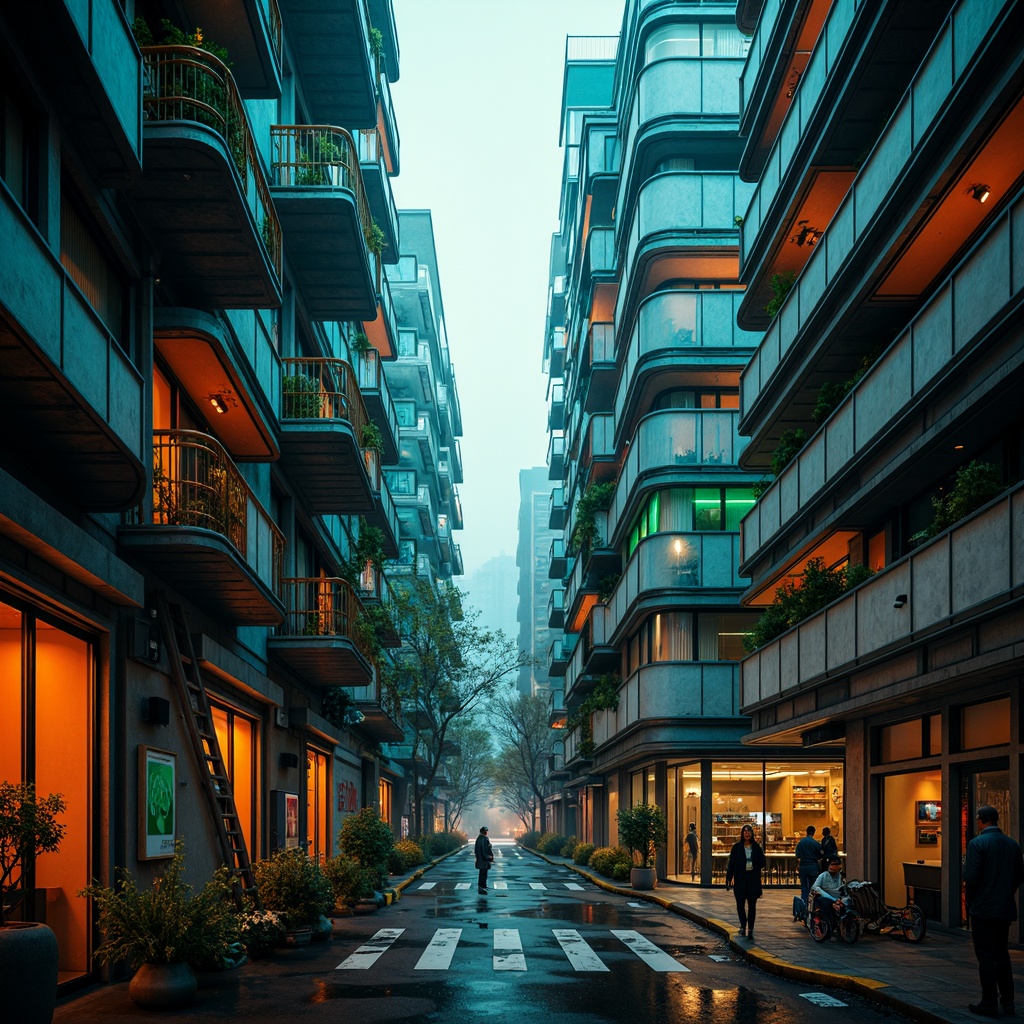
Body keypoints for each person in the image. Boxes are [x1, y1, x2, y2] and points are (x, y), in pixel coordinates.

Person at [964, 805, 1024, 1017]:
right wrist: (1007, 891)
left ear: (981, 820)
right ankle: (1008, 1002)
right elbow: (1019, 875)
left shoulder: (977, 843)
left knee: (986, 956)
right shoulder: (1012, 844)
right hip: (1004, 908)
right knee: (1002, 955)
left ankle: (988, 1001)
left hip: (983, 909)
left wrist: (972, 902)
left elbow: (970, 877)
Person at [725, 823, 766, 941]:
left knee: (752, 905)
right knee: (740, 905)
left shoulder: (756, 847)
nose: (747, 833)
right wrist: (729, 878)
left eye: (749, 831)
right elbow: (731, 863)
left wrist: (754, 865)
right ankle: (743, 925)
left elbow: (763, 862)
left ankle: (751, 929)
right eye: (745, 831)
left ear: (752, 833)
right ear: (742, 834)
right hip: (740, 879)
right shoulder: (737, 847)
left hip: (752, 880)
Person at [809, 856, 845, 925]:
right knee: (826, 902)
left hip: (837, 897)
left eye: (837, 865)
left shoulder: (840, 876)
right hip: (824, 896)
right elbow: (815, 887)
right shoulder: (823, 875)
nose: (835, 867)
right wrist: (833, 899)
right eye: (832, 864)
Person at [794, 825, 821, 917]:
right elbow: (820, 855)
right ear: (813, 832)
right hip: (813, 867)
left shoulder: (801, 843)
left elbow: (798, 856)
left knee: (804, 888)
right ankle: (812, 908)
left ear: (806, 831)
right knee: (813, 888)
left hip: (803, 867)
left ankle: (803, 909)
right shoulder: (815, 843)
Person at [474, 826, 494, 893]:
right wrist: (488, 857)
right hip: (482, 859)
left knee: (484, 873)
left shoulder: (483, 838)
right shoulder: (481, 839)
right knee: (482, 873)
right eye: (485, 831)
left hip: (484, 859)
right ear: (483, 831)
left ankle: (484, 886)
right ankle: (481, 886)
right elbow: (482, 850)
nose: (486, 832)